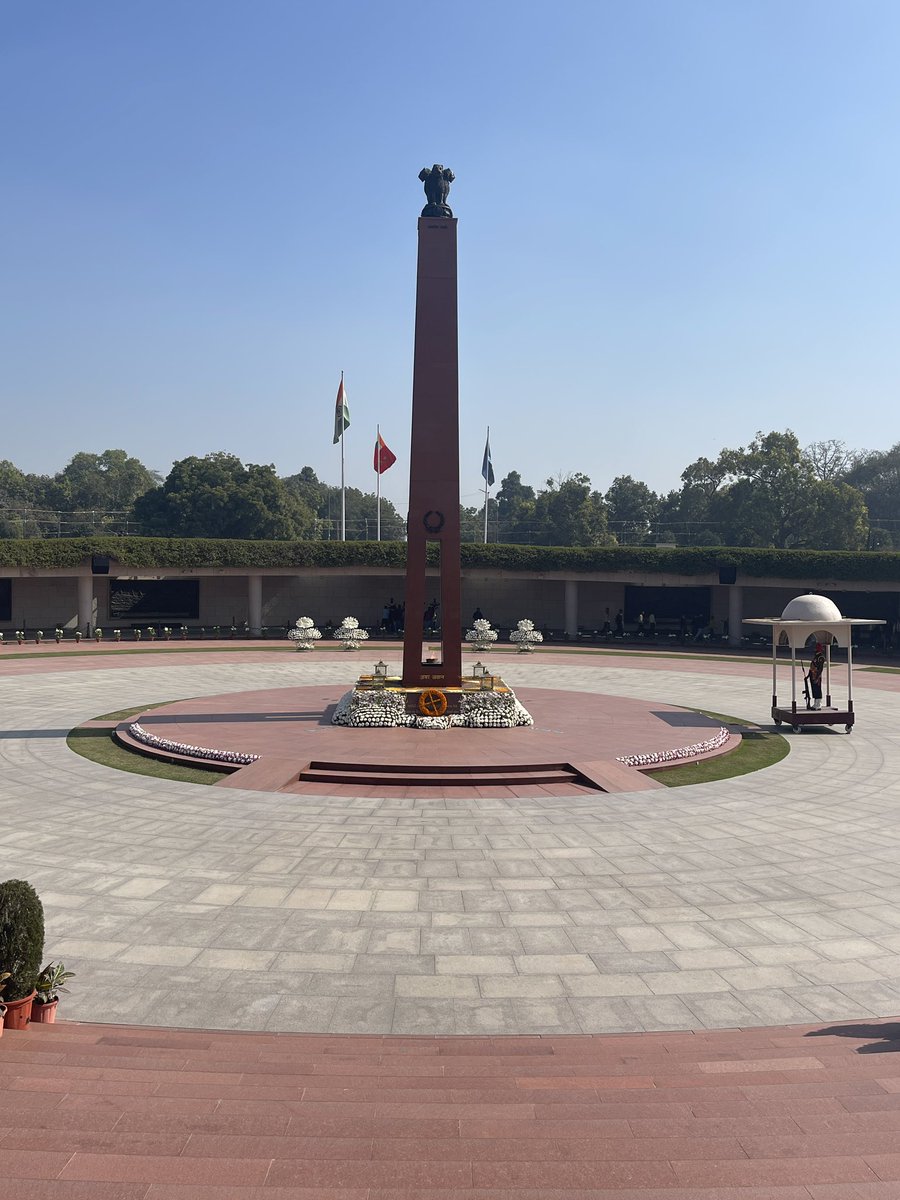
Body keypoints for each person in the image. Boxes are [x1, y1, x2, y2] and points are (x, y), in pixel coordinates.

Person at [808, 642, 826, 710]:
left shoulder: (820, 657)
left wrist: (817, 677)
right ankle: (815, 703)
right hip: (813, 675)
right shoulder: (816, 656)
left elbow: (820, 668)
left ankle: (819, 704)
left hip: (817, 675)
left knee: (818, 689)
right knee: (814, 689)